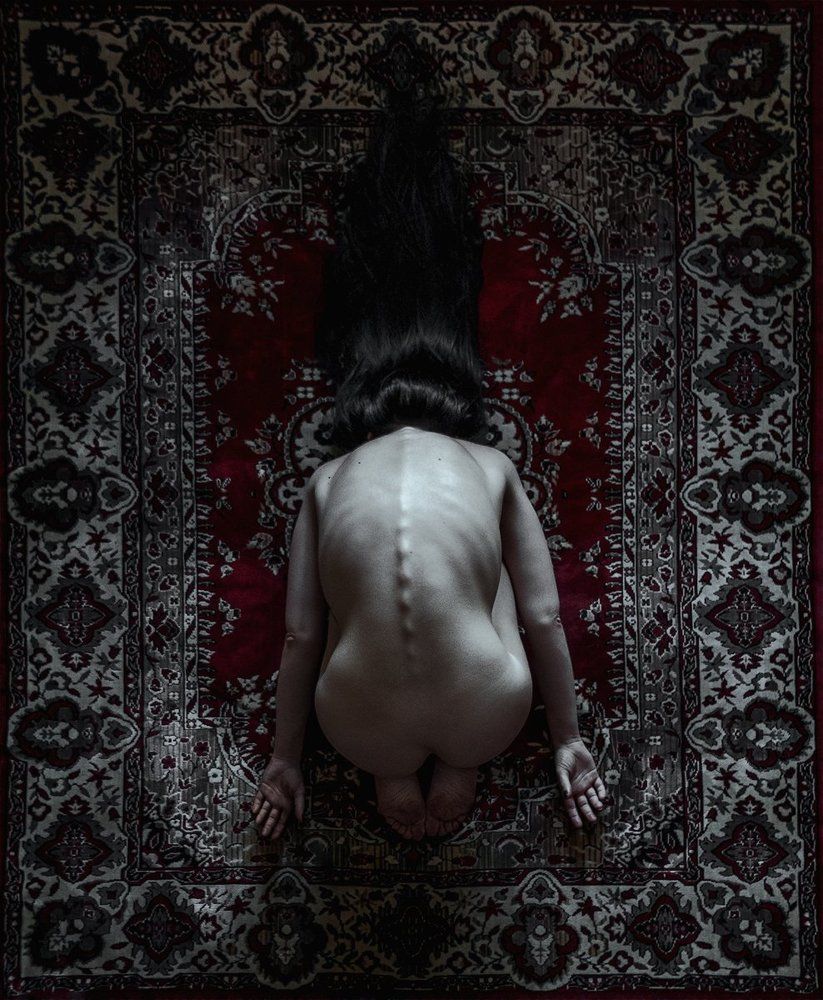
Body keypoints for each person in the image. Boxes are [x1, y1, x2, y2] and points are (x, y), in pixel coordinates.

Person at [251, 85, 606, 842]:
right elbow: (543, 615)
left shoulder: (326, 478)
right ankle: (461, 759)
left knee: (345, 606)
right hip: (490, 711)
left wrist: (285, 759)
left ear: (361, 398)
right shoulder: (490, 465)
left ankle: (389, 768)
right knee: (495, 570)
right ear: (458, 394)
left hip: (354, 725)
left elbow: (299, 637)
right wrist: (567, 738)